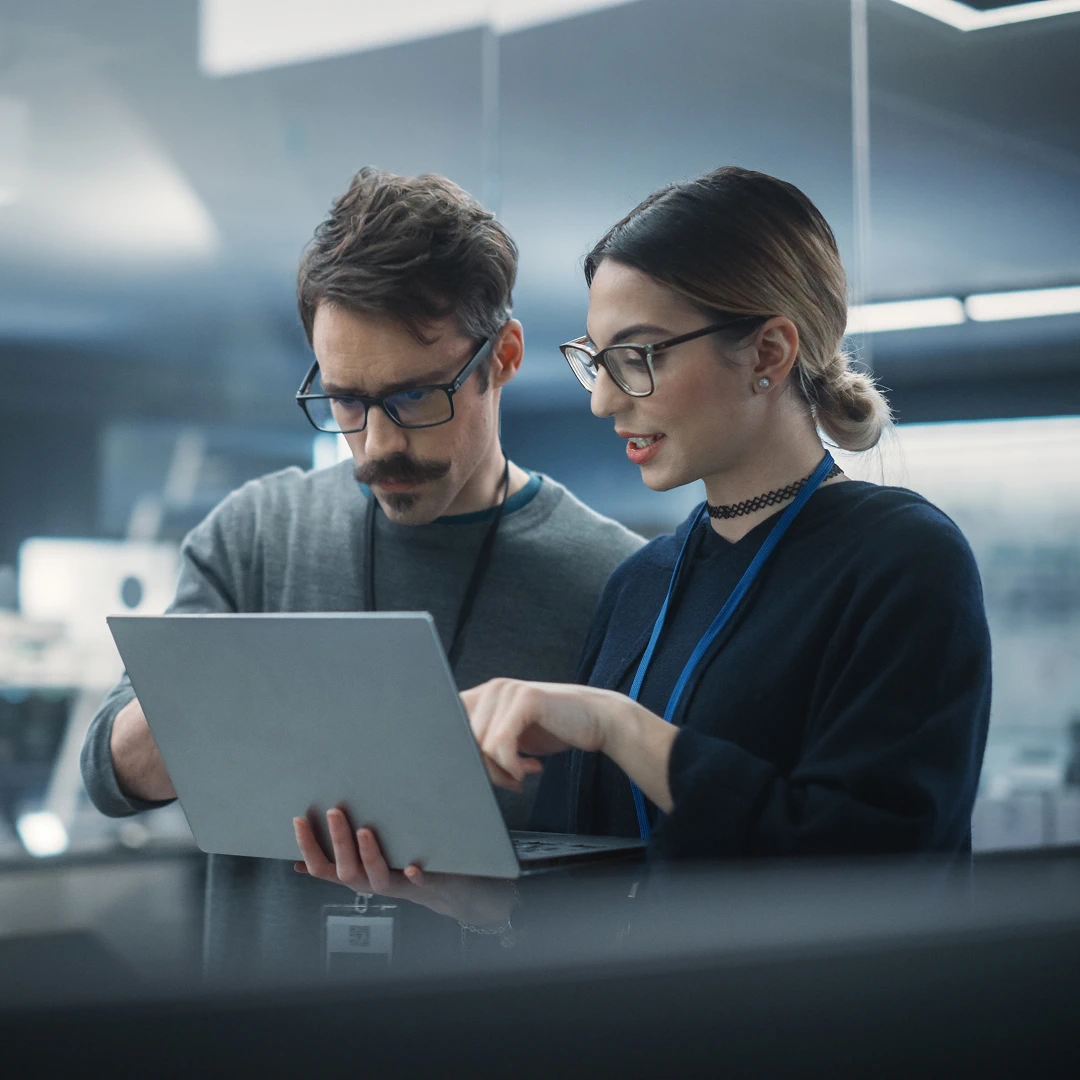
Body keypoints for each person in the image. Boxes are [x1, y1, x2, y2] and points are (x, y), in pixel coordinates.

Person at [299, 166, 992, 914]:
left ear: (768, 352)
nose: (602, 400)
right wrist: (477, 897)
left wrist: (618, 727)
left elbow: (876, 872)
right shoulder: (642, 583)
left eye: (639, 357)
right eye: (599, 362)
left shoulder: (902, 560)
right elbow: (599, 892)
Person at [80, 167, 643, 975]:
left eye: (414, 399)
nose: (377, 446)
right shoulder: (256, 533)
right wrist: (241, 694)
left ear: (504, 357)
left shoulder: (615, 581)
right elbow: (108, 774)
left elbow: (636, 898)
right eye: (346, 401)